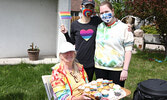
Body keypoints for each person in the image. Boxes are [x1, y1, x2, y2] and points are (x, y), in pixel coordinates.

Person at [94, 1, 134, 87]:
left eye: (106, 12)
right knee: (101, 94)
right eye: (102, 13)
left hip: (116, 70)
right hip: (99, 68)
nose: (104, 15)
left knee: (116, 95)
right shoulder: (99, 26)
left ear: (112, 11)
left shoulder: (124, 28)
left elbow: (128, 50)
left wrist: (125, 69)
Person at [61, 0, 102, 82]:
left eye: (91, 7)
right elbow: (72, 42)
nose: (89, 9)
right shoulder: (74, 25)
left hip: (91, 62)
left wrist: (126, 26)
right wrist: (65, 33)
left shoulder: (96, 21)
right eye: (86, 7)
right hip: (78, 61)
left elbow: (109, 24)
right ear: (81, 7)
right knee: (78, 85)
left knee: (88, 85)